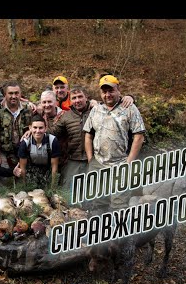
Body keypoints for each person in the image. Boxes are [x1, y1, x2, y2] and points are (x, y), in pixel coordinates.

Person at [83, 75, 146, 211]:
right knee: (99, 203)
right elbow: (88, 135)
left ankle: (119, 230)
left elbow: (139, 136)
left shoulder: (130, 108)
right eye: (104, 92)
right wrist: (90, 159)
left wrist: (128, 163)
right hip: (98, 164)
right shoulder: (96, 110)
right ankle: (100, 230)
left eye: (111, 90)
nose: (107, 95)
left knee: (119, 205)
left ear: (118, 90)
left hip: (121, 164)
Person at [48, 86, 92, 190]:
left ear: (86, 97)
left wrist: (129, 97)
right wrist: (32, 131)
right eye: (74, 98)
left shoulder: (96, 112)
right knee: (67, 192)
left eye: (80, 97)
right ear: (70, 100)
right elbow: (53, 132)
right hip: (73, 159)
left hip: (92, 159)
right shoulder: (66, 116)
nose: (77, 100)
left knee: (91, 192)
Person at [0, 80, 32, 186]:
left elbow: (40, 121)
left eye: (16, 93)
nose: (14, 96)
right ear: (5, 94)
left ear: (20, 94)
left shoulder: (28, 108)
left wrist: (31, 130)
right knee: (2, 182)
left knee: (23, 183)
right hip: (4, 152)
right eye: (10, 93)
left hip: (23, 152)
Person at [18, 115, 61, 189]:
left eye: (41, 128)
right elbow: (23, 168)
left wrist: (53, 188)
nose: (37, 131)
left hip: (48, 170)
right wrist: (24, 187)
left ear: (45, 128)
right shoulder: (25, 143)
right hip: (31, 171)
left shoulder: (53, 140)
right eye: (35, 128)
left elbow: (54, 167)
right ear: (30, 128)